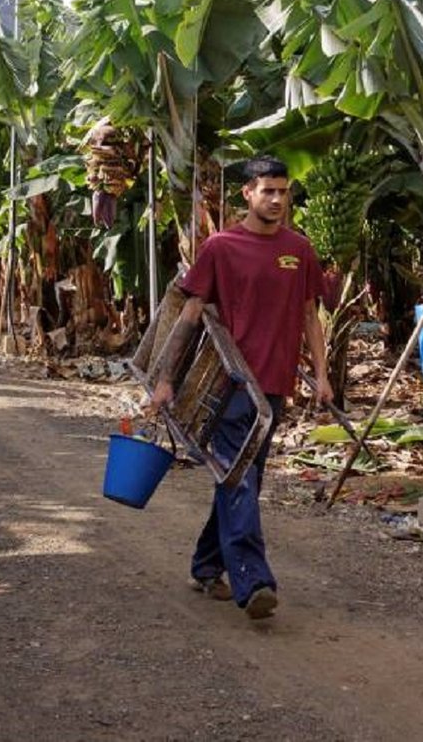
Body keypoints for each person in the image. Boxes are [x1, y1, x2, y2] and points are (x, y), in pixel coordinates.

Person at [148, 154, 332, 620]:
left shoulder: (299, 249)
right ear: (247, 194)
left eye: (283, 191)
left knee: (242, 479)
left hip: (273, 387)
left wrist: (325, 378)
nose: (276, 199)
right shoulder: (221, 247)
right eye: (267, 190)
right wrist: (166, 379)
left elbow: (310, 315)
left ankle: (207, 564)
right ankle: (254, 582)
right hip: (227, 384)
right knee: (239, 478)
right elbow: (190, 314)